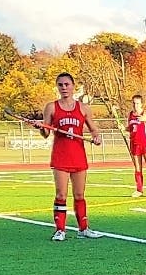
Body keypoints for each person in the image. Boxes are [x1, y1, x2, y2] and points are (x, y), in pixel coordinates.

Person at [33, 72, 104, 242]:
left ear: (73, 86)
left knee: (79, 194)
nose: (64, 88)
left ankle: (83, 228)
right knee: (61, 194)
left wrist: (96, 137)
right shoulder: (51, 107)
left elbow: (94, 128)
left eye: (67, 84)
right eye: (60, 85)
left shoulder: (83, 108)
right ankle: (60, 230)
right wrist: (41, 127)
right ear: (57, 87)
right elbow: (46, 133)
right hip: (61, 156)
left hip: (78, 156)